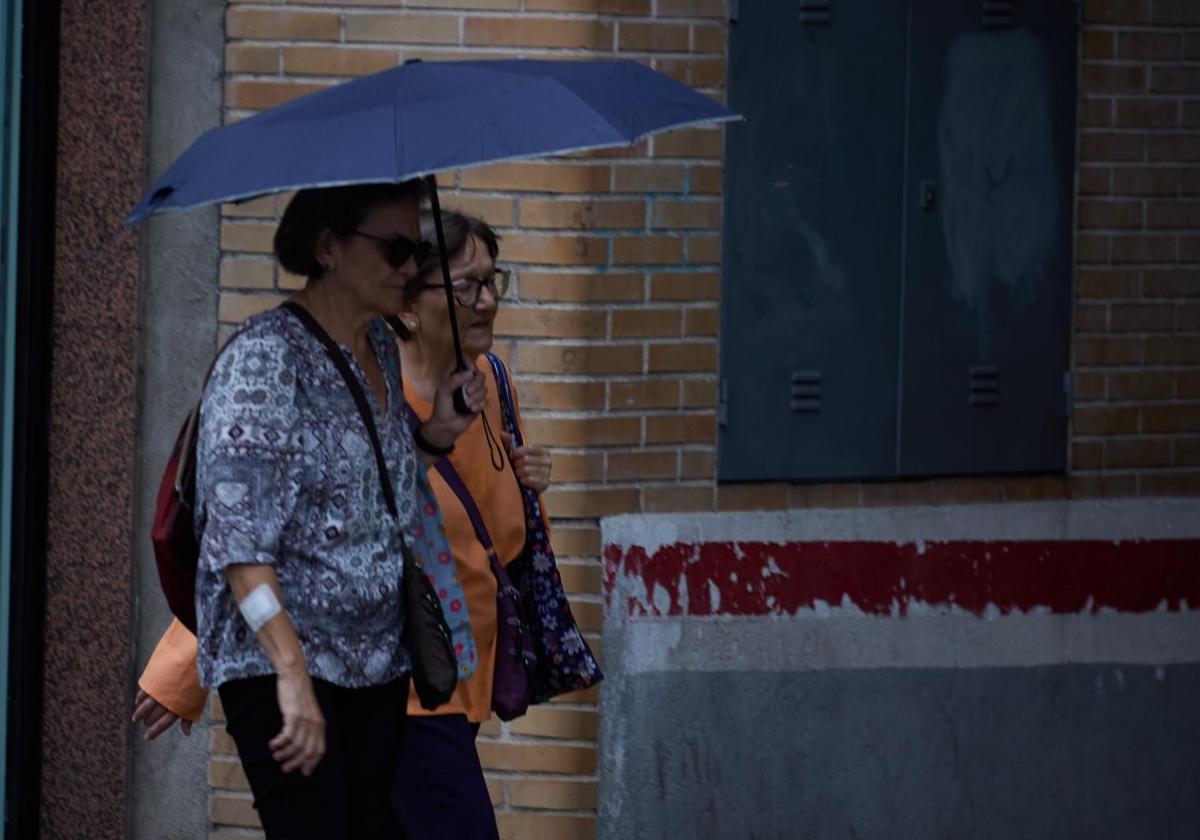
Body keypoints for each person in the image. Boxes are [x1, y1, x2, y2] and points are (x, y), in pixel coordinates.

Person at [134, 210, 553, 840]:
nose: (408, 267)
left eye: (494, 281)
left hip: (399, 670)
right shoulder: (280, 361)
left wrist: (450, 440)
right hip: (331, 673)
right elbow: (248, 535)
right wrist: (265, 674)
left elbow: (387, 500)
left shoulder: (420, 363)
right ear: (329, 248)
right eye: (396, 250)